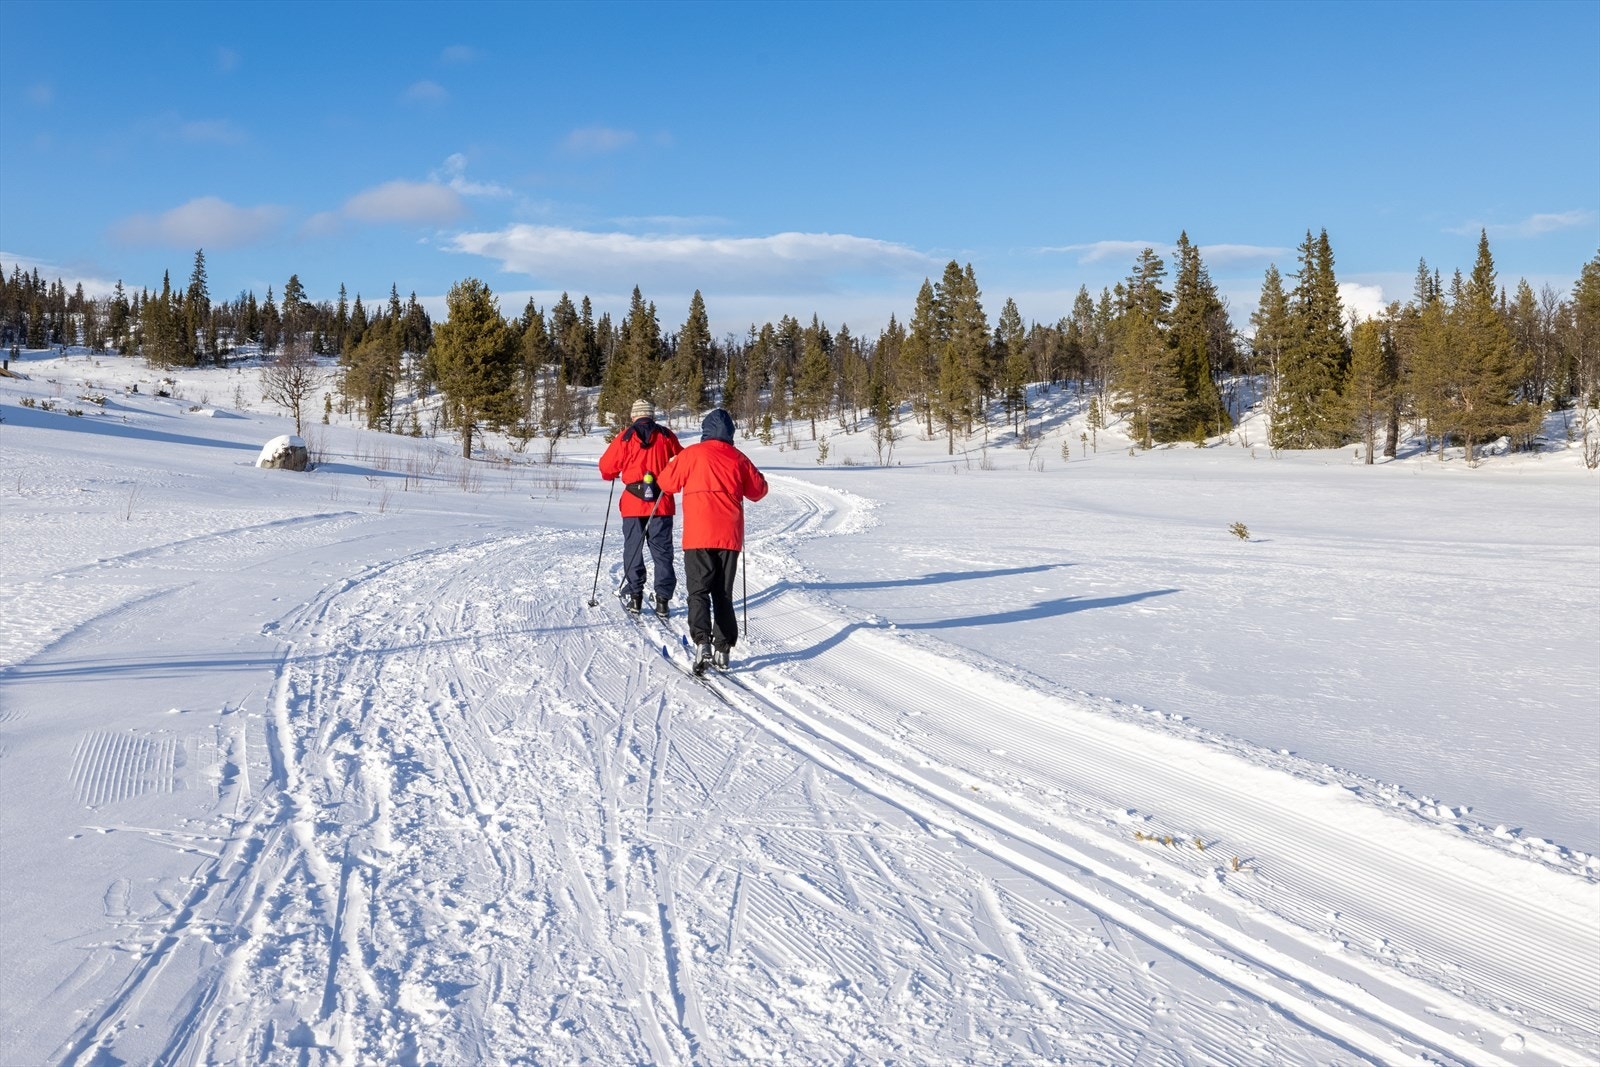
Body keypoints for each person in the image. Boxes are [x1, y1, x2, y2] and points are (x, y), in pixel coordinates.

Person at [653, 408, 768, 672]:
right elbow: (759, 491)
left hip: (698, 535)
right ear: (731, 433)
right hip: (729, 536)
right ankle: (723, 649)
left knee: (698, 591)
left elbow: (667, 483)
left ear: (705, 430)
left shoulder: (691, 454)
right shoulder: (738, 457)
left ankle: (702, 641)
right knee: (723, 593)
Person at [598, 399, 682, 616]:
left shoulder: (625, 437)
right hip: (661, 503)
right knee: (662, 552)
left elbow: (606, 468)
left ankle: (635, 596)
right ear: (652, 416)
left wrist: (615, 472)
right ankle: (662, 599)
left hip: (633, 503)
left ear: (634, 416)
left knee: (633, 548)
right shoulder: (666, 435)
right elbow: (682, 462)